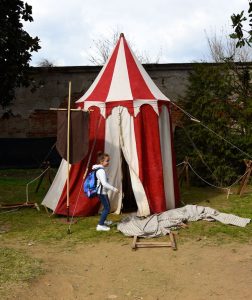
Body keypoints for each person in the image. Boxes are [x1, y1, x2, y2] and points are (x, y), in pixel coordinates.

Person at [92, 151, 119, 231]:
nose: (108, 162)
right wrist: (114, 189)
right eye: (107, 161)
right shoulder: (101, 171)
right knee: (107, 208)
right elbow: (104, 183)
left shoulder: (100, 169)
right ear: (101, 162)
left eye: (108, 161)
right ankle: (100, 225)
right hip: (102, 192)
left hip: (103, 192)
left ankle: (104, 221)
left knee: (106, 207)